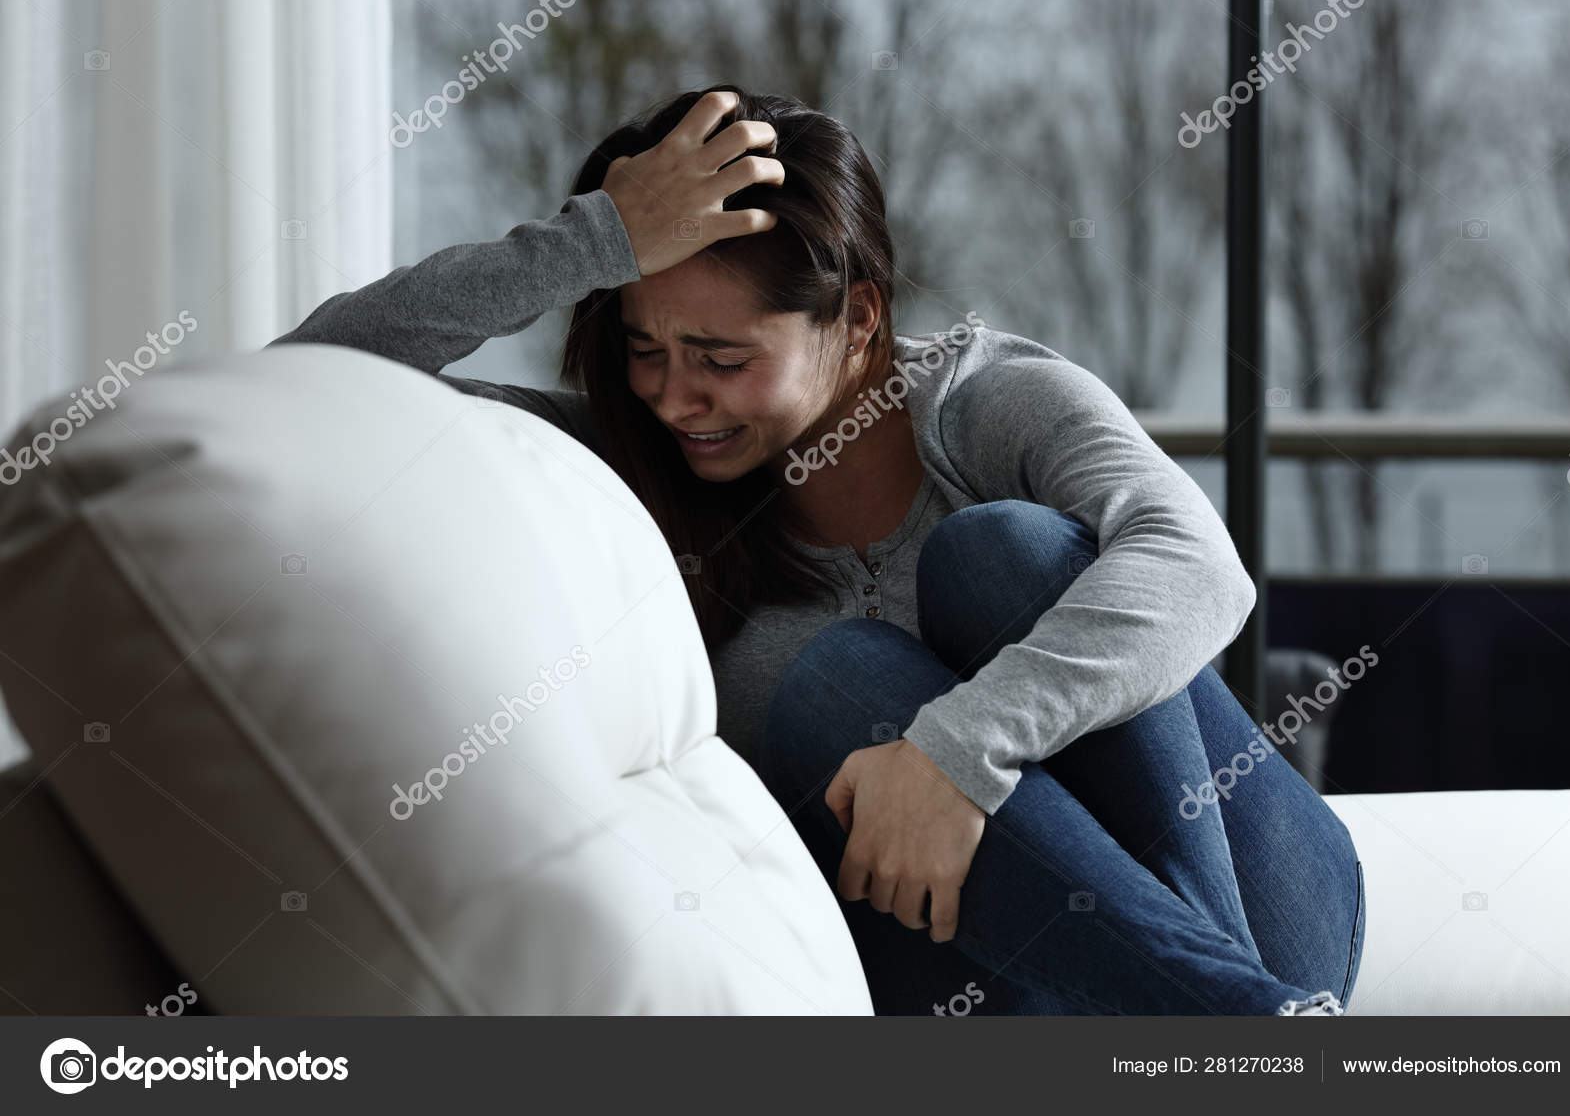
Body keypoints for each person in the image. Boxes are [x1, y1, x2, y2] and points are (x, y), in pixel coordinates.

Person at [270, 84, 1364, 1016]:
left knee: (1003, 553)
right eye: (643, 347)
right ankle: (1246, 1028)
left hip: (1278, 899)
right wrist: (594, 241)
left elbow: (1199, 565)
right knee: (834, 679)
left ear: (860, 320)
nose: (672, 393)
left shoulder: (986, 404)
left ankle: (1228, 1020)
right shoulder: (618, 462)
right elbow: (310, 380)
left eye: (717, 354)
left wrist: (955, 752)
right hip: (982, 962)